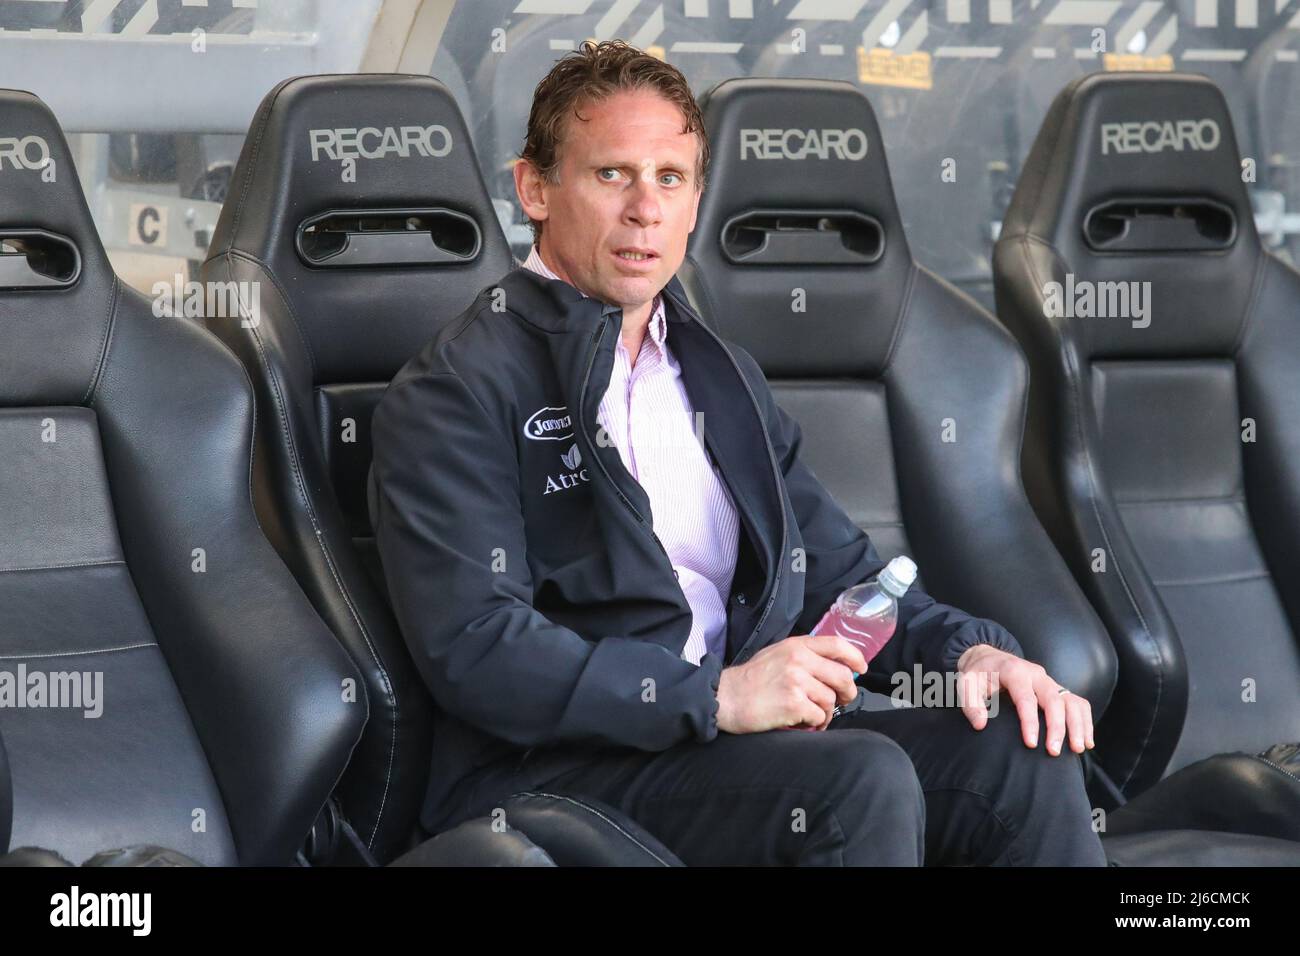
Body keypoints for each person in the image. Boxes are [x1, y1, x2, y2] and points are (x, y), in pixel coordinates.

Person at [371, 39, 1107, 866]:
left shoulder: (717, 372)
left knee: (1023, 753)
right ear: (535, 189)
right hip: (556, 776)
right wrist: (716, 696)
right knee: (856, 778)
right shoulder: (459, 388)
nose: (645, 209)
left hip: (728, 750)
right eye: (611, 174)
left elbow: (843, 576)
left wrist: (972, 651)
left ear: (695, 201)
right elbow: (477, 648)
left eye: (670, 178)